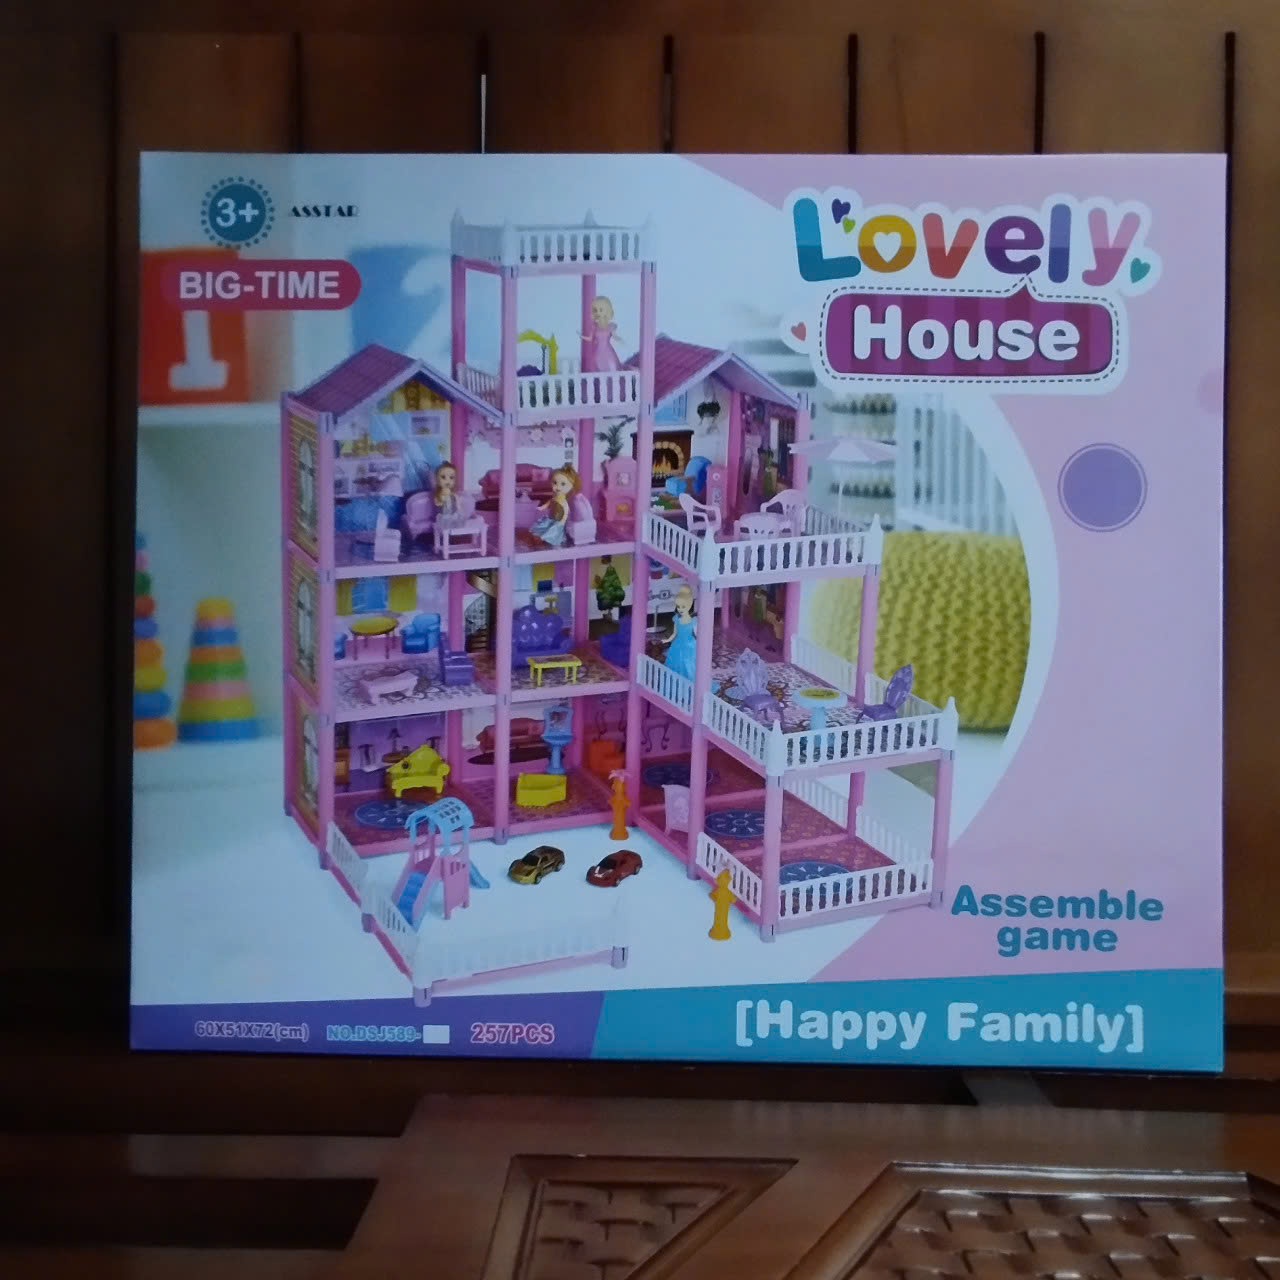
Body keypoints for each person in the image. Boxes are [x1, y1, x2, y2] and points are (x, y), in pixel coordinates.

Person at [529, 465, 581, 547]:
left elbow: (565, 510)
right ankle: (543, 540)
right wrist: (543, 507)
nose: (558, 487)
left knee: (553, 532)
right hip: (553, 518)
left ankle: (548, 541)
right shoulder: (556, 497)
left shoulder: (566, 500)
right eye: (555, 483)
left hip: (560, 521)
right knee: (544, 526)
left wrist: (564, 518)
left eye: (563, 484)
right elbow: (551, 502)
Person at [662, 584, 697, 681]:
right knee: (676, 662)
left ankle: (690, 680)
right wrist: (667, 640)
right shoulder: (677, 619)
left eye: (683, 607)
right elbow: (674, 633)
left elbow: (696, 634)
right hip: (678, 643)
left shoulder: (694, 620)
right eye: (678, 607)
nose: (680, 609)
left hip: (689, 644)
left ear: (689, 605)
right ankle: (676, 679)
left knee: (689, 663)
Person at [582, 296, 623, 372]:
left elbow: (615, 336)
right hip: (598, 352)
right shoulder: (595, 327)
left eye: (601, 310)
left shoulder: (610, 326)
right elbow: (590, 338)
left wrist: (620, 339)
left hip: (607, 350)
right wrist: (582, 337)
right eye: (595, 310)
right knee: (599, 367)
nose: (598, 313)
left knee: (611, 366)